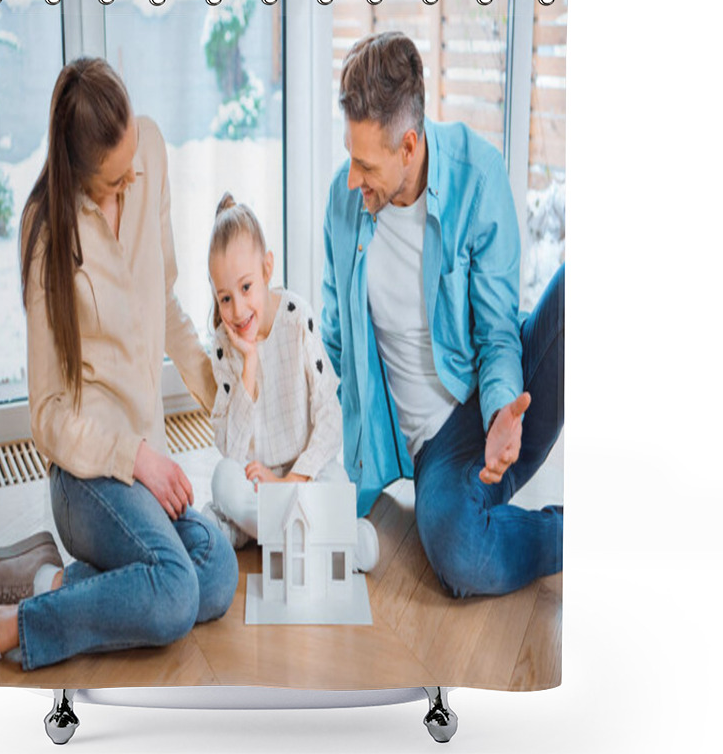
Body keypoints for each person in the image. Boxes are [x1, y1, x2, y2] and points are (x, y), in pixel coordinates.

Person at [0, 58, 238, 684]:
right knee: (177, 594)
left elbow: (167, 299)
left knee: (217, 573)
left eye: (133, 171)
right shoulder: (46, 234)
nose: (129, 185)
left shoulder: (146, 147)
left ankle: (44, 579)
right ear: (78, 172)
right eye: (114, 182)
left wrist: (226, 399)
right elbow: (48, 418)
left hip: (145, 464)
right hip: (88, 475)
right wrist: (137, 458)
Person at [320, 32, 564, 598]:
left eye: (365, 164)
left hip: (500, 391)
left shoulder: (478, 177)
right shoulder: (344, 200)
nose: (352, 179)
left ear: (409, 146)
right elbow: (335, 339)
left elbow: (499, 333)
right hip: (440, 442)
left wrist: (503, 408)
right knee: (460, 552)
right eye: (349, 157)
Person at [201, 193, 379, 571]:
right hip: (258, 480)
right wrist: (248, 363)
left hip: (306, 472)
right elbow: (231, 452)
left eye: (246, 288)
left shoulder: (298, 317)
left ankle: (250, 531)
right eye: (225, 298)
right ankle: (329, 538)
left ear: (267, 269)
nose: (237, 310)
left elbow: (329, 413)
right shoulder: (223, 346)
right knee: (223, 481)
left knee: (334, 481)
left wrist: (292, 480)